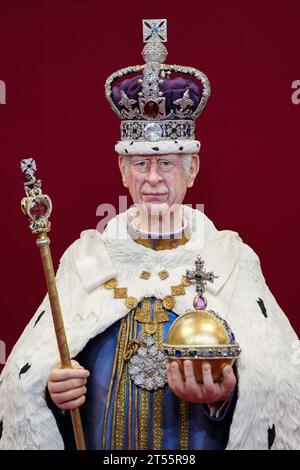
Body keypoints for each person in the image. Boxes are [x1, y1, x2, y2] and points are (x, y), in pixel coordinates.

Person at [0, 19, 299, 451]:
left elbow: (280, 383)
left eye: (168, 164)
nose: (154, 178)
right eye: (141, 164)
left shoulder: (230, 260)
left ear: (192, 169)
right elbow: (22, 380)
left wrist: (226, 397)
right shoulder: (85, 260)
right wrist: (51, 392)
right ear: (122, 170)